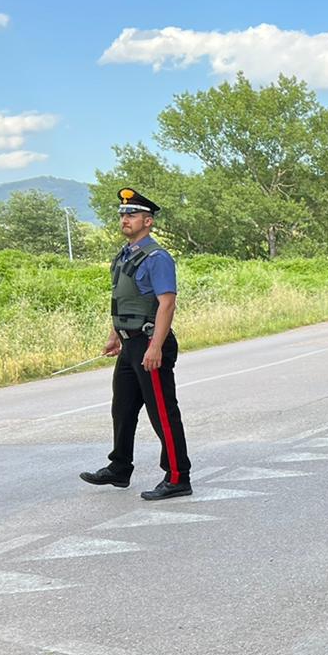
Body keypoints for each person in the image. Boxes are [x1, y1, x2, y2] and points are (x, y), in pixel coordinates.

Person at [78, 188, 194, 500]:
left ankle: (178, 477)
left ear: (148, 221)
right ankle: (119, 468)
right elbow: (125, 299)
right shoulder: (124, 256)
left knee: (162, 412)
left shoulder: (157, 258)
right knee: (123, 408)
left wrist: (155, 346)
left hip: (150, 342)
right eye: (122, 214)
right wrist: (115, 334)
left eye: (132, 214)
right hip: (129, 344)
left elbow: (167, 304)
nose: (125, 219)